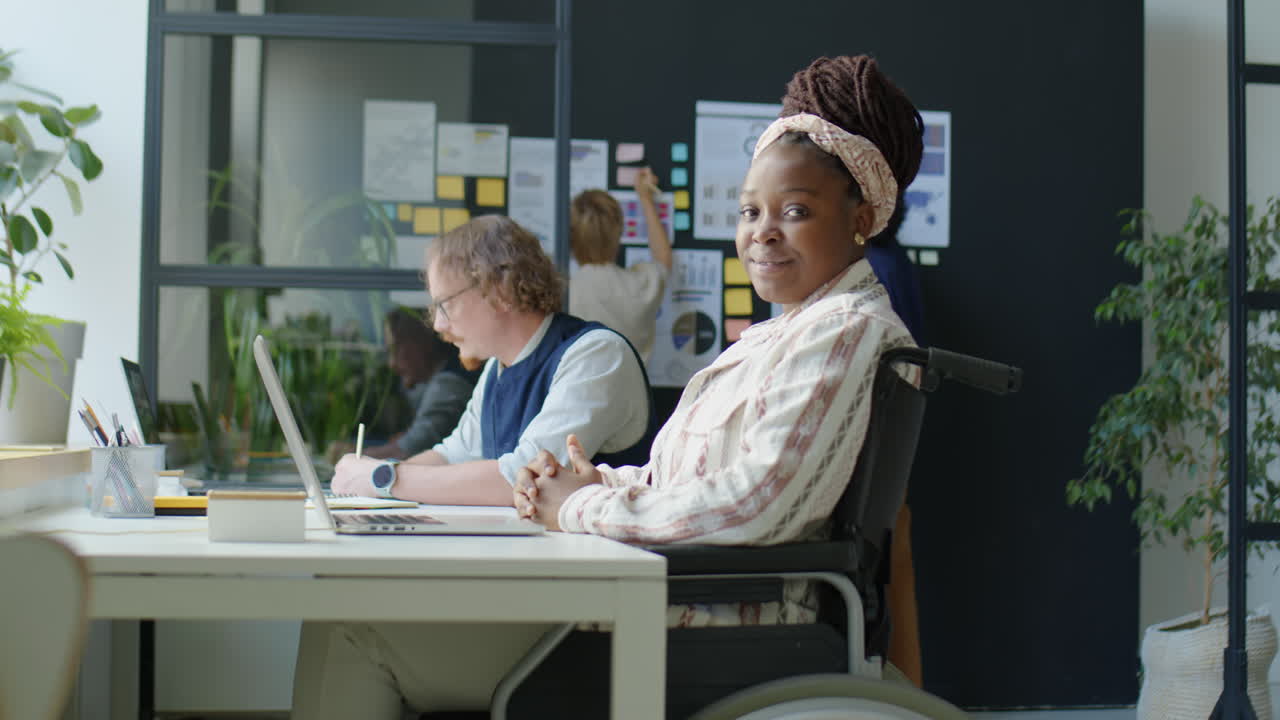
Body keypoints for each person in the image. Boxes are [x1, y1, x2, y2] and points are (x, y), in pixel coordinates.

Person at [516, 54, 923, 633]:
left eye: (796, 211)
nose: (762, 231)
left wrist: (582, 509)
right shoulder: (774, 336)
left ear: (861, 219)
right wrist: (586, 482)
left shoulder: (847, 329)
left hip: (723, 616)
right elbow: (679, 483)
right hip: (680, 596)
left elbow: (755, 502)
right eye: (750, 211)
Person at [292, 214, 656, 719]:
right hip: (529, 601)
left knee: (346, 627)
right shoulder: (495, 372)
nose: (438, 325)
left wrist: (385, 478)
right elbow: (450, 454)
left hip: (578, 629)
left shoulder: (595, 355)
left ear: (499, 288)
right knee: (336, 613)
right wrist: (363, 490)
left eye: (444, 304)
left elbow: (519, 479)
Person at [568, 167, 672, 361]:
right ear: (618, 233)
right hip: (634, 390)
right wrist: (645, 198)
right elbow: (663, 259)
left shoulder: (561, 293)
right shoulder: (639, 287)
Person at [354, 307, 478, 460]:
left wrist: (354, 456)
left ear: (421, 342)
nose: (392, 363)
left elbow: (409, 449)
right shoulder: (434, 380)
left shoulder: (449, 385)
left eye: (397, 349)